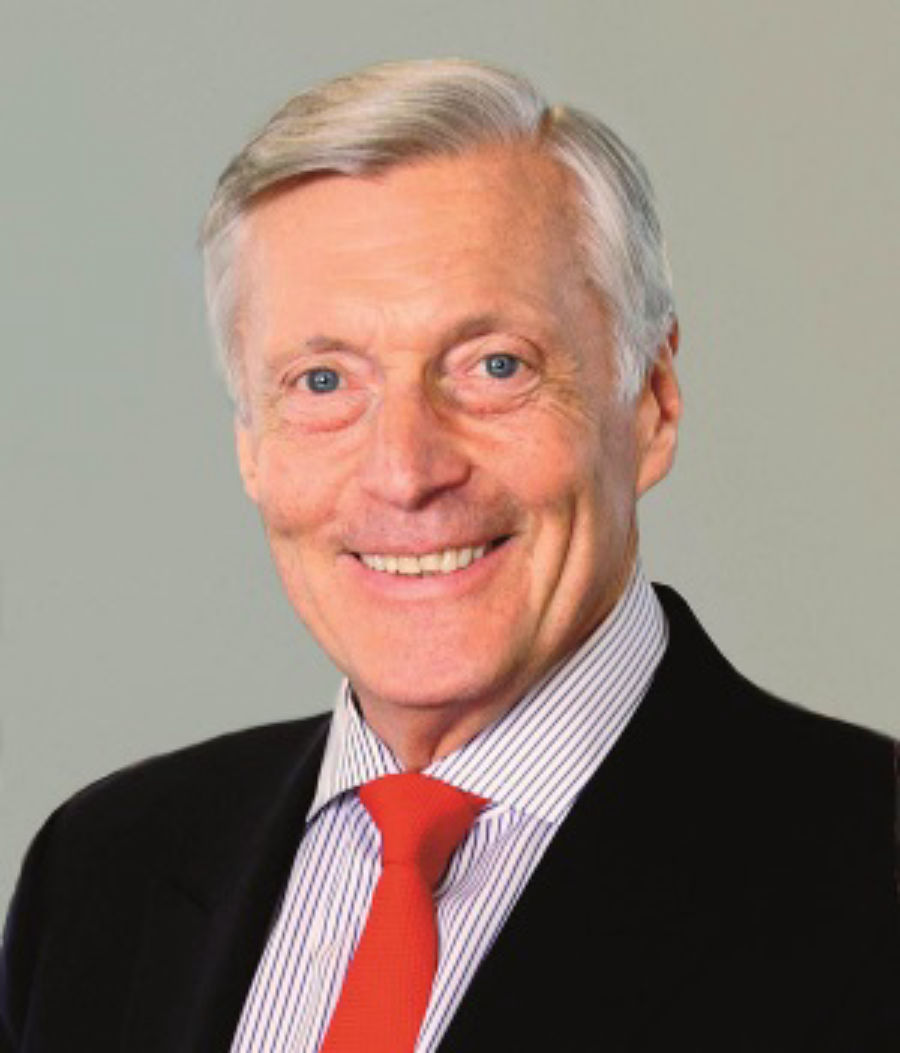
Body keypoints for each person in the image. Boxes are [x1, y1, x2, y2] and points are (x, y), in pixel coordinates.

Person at [1, 58, 897, 1053]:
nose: (405, 471)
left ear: (650, 402)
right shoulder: (102, 872)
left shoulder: (870, 868)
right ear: (250, 444)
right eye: (323, 381)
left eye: (495, 366)